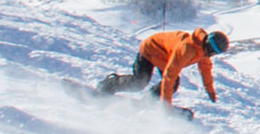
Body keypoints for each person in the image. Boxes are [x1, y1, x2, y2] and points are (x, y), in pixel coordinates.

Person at [97, 27, 230, 108]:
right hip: (151, 48)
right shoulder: (187, 49)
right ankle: (109, 85)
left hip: (164, 55)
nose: (211, 55)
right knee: (140, 81)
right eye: (214, 52)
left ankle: (148, 102)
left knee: (171, 83)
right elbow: (170, 75)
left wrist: (210, 90)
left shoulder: (203, 51)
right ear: (210, 47)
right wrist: (166, 104)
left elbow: (206, 70)